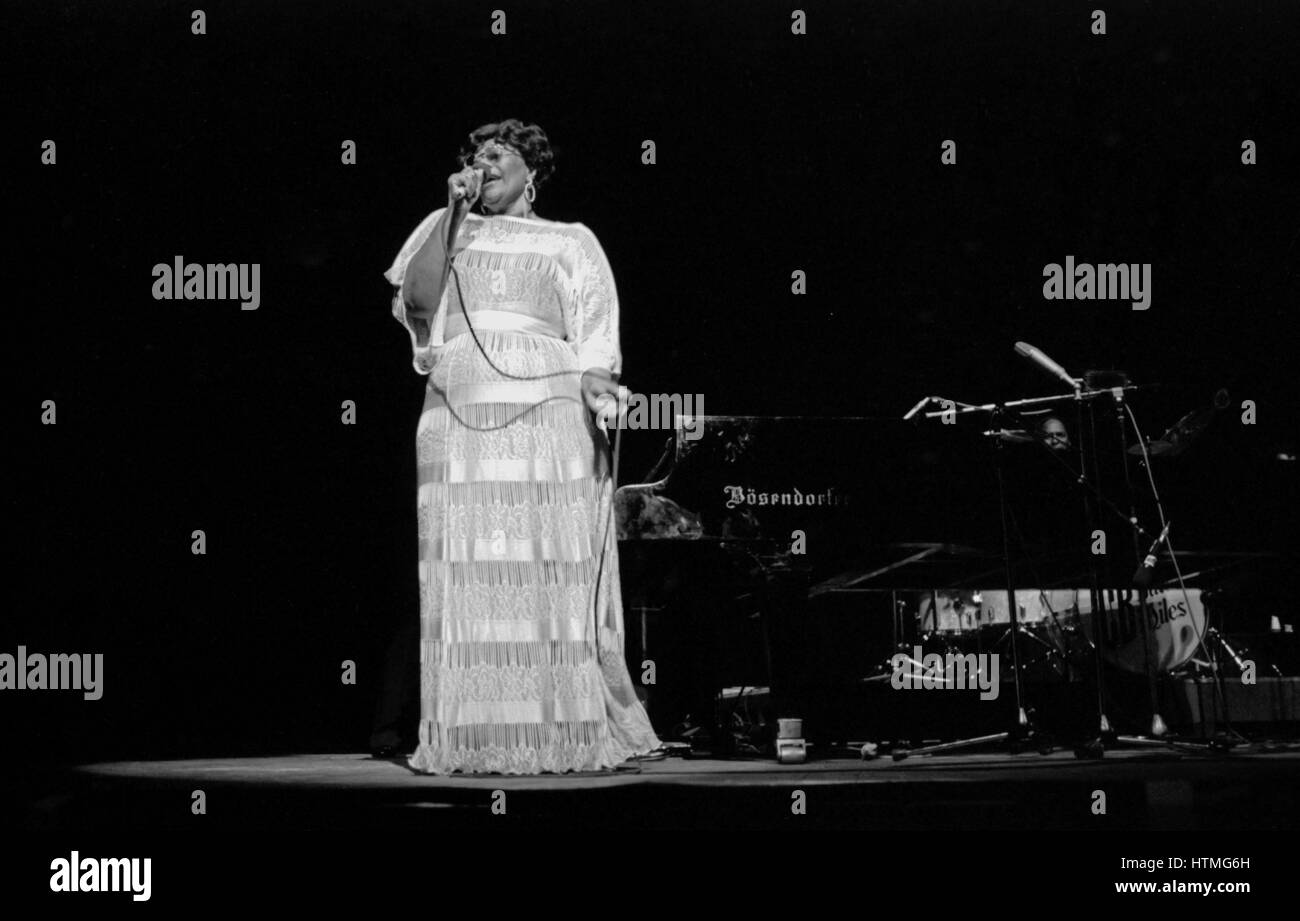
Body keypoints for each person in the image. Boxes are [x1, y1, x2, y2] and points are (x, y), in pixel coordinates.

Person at [383, 119, 661, 773]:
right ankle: (479, 730)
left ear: (530, 170)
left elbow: (594, 331)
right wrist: (450, 213)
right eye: (475, 156)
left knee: (543, 566)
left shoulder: (570, 242)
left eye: (497, 153)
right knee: (475, 565)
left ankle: (558, 723)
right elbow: (419, 302)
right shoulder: (443, 225)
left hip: (550, 410)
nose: (483, 162)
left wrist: (599, 398)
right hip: (464, 411)